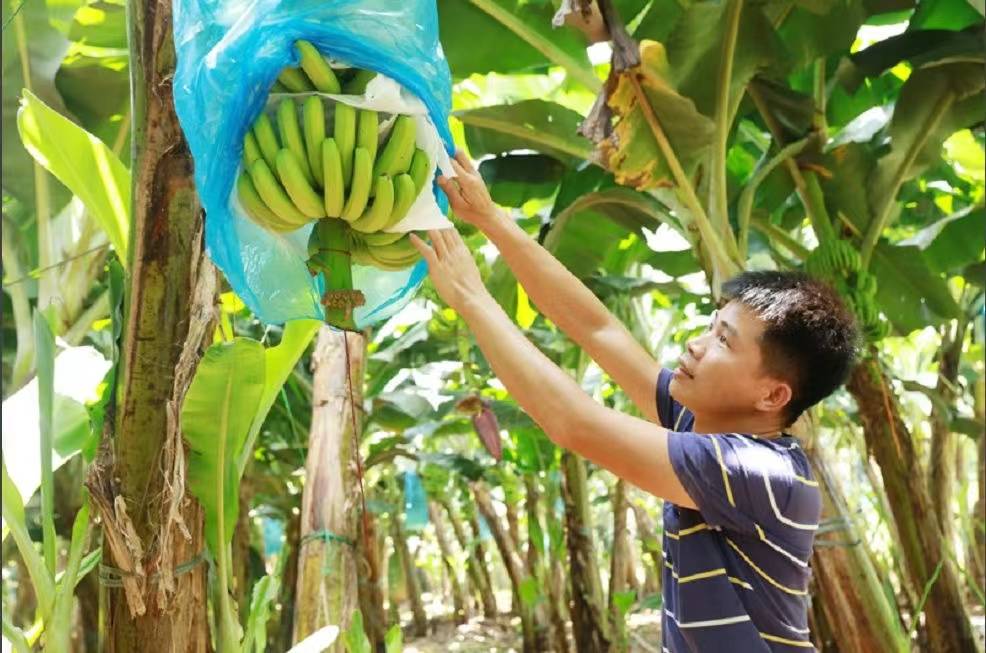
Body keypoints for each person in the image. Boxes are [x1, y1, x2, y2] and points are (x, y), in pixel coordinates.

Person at [409, 151, 859, 652]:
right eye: (711, 327)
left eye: (724, 342)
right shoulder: (700, 423)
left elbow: (573, 423)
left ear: (772, 394)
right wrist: (490, 218)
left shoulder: (756, 471)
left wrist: (472, 298)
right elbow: (599, 330)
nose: (695, 344)